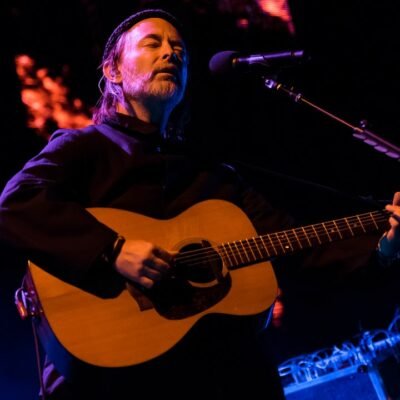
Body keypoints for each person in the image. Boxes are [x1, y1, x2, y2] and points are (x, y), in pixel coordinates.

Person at [1, 7, 400, 400]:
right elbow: (16, 204)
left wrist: (382, 245)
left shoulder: (213, 174)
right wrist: (112, 250)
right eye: (153, 44)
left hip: (218, 374)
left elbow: (294, 243)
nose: (171, 53)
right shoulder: (84, 148)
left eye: (179, 49)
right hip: (120, 382)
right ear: (113, 70)